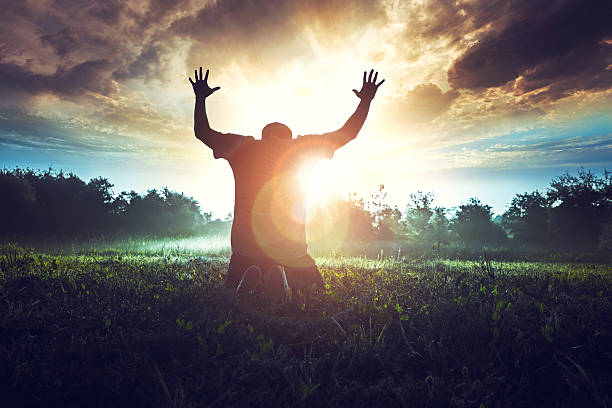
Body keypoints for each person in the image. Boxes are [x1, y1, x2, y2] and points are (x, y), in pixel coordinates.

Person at [189, 67, 384, 299]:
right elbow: (348, 133)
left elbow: (202, 132)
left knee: (234, 291)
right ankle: (281, 282)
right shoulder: (301, 147)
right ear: (289, 136)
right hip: (291, 251)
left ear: (263, 135)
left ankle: (251, 282)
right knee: (315, 294)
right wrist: (366, 100)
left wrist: (200, 98)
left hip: (245, 248)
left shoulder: (244, 147)